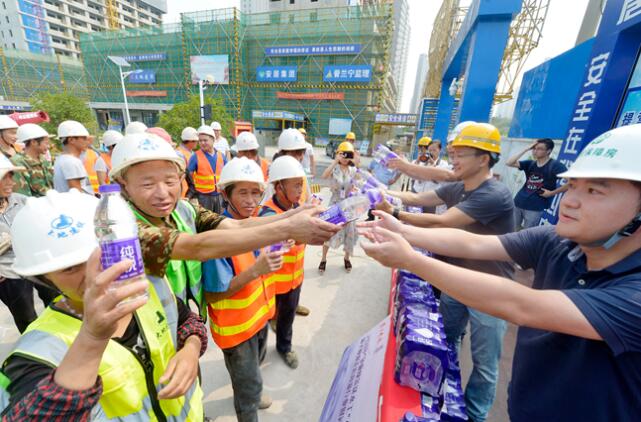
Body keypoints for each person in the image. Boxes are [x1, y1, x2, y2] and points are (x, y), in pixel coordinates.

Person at [360, 123, 641, 421]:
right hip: (526, 410)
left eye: (594, 191)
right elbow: (472, 243)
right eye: (572, 186)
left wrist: (411, 260)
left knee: (484, 363)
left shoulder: (634, 293)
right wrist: (402, 230)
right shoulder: (556, 241)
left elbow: (522, 305)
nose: (569, 201)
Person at [0, 189, 207, 420]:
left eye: (100, 256)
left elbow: (187, 321)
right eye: (70, 268)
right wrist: (91, 338)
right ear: (43, 278)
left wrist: (190, 349)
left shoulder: (149, 287)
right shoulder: (36, 351)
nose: (94, 274)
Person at [109, 133, 339, 320]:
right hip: (151, 331)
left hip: (184, 323)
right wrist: (288, 228)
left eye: (170, 181)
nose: (162, 193)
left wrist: (294, 214)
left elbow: (236, 226)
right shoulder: (121, 230)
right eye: (148, 184)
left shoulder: (184, 209)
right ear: (122, 185)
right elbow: (197, 248)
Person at [378, 122, 514, 422]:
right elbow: (420, 199)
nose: (453, 160)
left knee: (484, 364)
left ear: (484, 158)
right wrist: (382, 192)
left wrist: (395, 215)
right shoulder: (459, 187)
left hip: (491, 290)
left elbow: (443, 222)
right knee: (447, 340)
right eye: (453, 154)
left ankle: (475, 415)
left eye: (460, 154)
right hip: (456, 279)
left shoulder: (494, 194)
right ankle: (449, 401)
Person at [203, 157, 282, 421]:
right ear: (225, 195)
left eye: (256, 193)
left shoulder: (256, 224)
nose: (251, 201)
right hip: (237, 332)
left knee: (253, 372)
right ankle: (250, 401)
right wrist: (255, 270)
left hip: (259, 319)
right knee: (246, 389)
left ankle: (253, 392)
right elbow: (213, 295)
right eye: (243, 193)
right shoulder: (219, 238)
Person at [258, 156, 308, 369]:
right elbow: (263, 247)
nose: (300, 190)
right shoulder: (268, 213)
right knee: (262, 322)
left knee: (287, 317)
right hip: (272, 284)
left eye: (301, 184)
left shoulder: (298, 207)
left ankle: (284, 348)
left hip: (294, 280)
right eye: (295, 185)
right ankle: (257, 358)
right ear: (279, 187)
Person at [0, 155, 57, 333]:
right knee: (26, 318)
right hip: (8, 274)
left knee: (56, 302)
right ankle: (36, 345)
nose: (11, 182)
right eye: (4, 177)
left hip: (36, 263)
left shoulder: (22, 201)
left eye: (11, 176)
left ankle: (60, 339)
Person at [506, 138, 568, 229]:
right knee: (511, 230)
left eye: (539, 149)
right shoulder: (530, 163)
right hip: (518, 202)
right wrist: (527, 148)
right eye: (534, 148)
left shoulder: (556, 166)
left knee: (528, 234)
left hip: (535, 208)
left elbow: (572, 182)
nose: (535, 151)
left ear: (548, 151)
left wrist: (552, 193)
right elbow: (509, 163)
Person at [319, 141, 358, 274]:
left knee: (350, 233)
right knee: (329, 232)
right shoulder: (334, 168)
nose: (345, 158)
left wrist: (355, 189)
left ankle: (347, 258)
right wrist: (335, 161)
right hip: (335, 203)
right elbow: (324, 176)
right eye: (343, 154)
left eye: (348, 154)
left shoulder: (353, 170)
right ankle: (323, 259)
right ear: (338, 154)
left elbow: (356, 184)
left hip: (348, 204)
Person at [187, 125, 228, 214]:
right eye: (200, 140)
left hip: (219, 196)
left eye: (205, 140)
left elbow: (227, 174)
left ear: (213, 140)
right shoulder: (195, 157)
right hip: (203, 197)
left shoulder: (221, 156)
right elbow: (189, 176)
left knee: (221, 219)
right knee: (206, 220)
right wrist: (192, 194)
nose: (202, 143)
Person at [11, 123, 54, 197]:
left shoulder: (43, 160)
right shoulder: (17, 163)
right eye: (46, 143)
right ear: (33, 142)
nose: (48, 146)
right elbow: (22, 196)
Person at [53, 120, 93, 195]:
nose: (87, 141)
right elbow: (76, 194)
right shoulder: (71, 161)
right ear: (71, 140)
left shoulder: (61, 159)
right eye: (84, 138)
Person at [412, 137, 450, 214]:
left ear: (440, 150)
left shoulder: (443, 164)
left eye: (434, 150)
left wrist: (434, 165)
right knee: (413, 216)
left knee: (427, 218)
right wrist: (418, 161)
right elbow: (413, 175)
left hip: (430, 198)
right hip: (417, 194)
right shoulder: (423, 161)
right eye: (430, 150)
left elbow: (439, 180)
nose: (432, 152)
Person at [177, 127, 199, 199]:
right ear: (190, 141)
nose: (197, 143)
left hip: (192, 190)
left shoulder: (192, 153)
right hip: (185, 193)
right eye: (196, 141)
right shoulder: (179, 154)